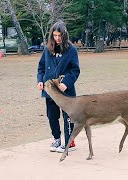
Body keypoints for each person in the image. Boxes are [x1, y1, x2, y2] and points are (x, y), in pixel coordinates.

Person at [37, 20, 80, 153]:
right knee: (52, 115)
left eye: (60, 36)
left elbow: (75, 70)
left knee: (68, 116)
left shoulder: (71, 50)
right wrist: (40, 80)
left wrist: (65, 83)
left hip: (65, 91)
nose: (57, 38)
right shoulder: (47, 49)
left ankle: (69, 141)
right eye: (55, 35)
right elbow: (41, 68)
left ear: (64, 35)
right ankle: (56, 139)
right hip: (50, 90)